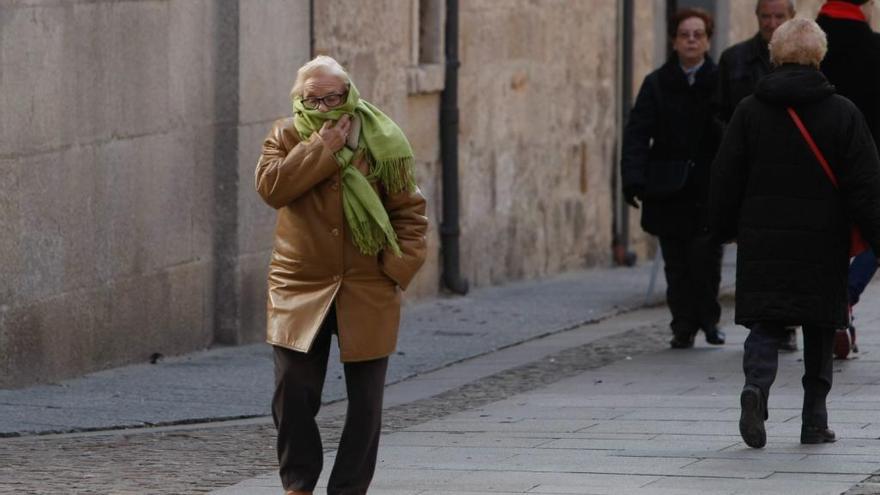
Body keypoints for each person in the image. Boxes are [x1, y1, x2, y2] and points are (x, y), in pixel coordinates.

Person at [255, 55, 428, 495]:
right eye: (313, 98)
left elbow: (409, 210)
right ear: (299, 99)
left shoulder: (381, 138)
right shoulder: (285, 134)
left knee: (366, 404)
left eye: (333, 96)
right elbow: (272, 188)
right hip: (299, 284)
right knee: (292, 393)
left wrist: (398, 267)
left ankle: (348, 489)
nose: (325, 105)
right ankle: (298, 483)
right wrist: (322, 149)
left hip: (367, 284)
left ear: (348, 94)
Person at [709, 18, 880, 448]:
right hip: (823, 242)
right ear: (819, 58)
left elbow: (725, 176)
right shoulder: (843, 112)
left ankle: (755, 389)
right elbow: (866, 186)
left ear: (775, 56)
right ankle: (814, 420)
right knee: (820, 326)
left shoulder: (749, 111)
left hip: (764, 239)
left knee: (766, 322)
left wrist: (725, 228)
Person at [621, 7, 725, 349]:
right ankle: (682, 325)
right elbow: (638, 132)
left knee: (706, 259)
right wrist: (633, 177)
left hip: (707, 186)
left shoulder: (719, 81)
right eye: (685, 35)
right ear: (674, 41)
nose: (691, 40)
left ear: (708, 41)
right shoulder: (657, 84)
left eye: (698, 34)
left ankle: (708, 320)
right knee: (676, 262)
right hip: (668, 186)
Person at [716, 0, 799, 352]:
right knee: (757, 253)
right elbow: (718, 113)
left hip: (792, 172)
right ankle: (764, 323)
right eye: (766, 16)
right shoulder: (734, 60)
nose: (771, 22)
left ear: (790, 19)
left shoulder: (802, 60)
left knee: (790, 251)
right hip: (750, 172)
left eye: (779, 16)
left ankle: (786, 322)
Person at [816, 0, 880, 358]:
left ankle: (834, 312)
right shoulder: (874, 49)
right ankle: (846, 298)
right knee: (872, 235)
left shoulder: (811, 44)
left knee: (827, 240)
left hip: (815, 158)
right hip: (869, 160)